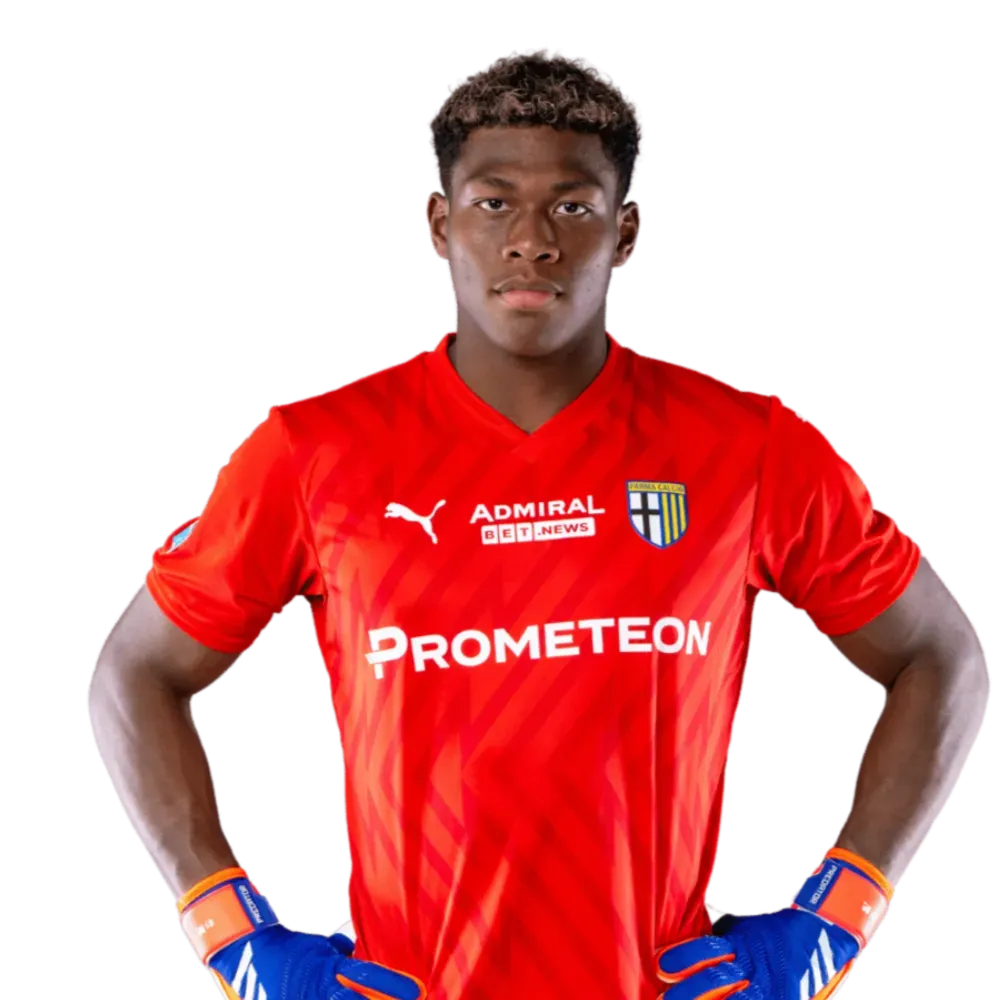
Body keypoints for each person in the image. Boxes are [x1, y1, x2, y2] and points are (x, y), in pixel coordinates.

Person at [87, 48, 990, 1000]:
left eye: (572, 206)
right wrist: (228, 930)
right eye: (493, 202)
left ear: (626, 231)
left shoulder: (747, 446)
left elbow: (940, 654)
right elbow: (136, 669)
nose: (531, 240)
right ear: (439, 225)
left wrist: (839, 914)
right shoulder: (313, 451)